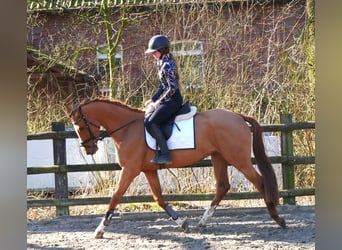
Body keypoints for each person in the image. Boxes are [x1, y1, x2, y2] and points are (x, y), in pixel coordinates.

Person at [144, 35, 184, 164]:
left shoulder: (167, 65)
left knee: (150, 123)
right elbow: (163, 85)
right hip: (167, 99)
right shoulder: (160, 63)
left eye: (154, 52)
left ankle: (166, 154)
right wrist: (152, 99)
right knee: (148, 119)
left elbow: (172, 88)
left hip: (173, 100)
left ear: (162, 50)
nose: (153, 55)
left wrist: (159, 102)